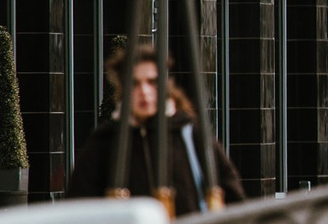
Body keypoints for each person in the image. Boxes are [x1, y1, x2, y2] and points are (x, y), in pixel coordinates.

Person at [67, 44, 245, 213]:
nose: (144, 91)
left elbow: (231, 193)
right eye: (135, 83)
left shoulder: (188, 132)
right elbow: (79, 207)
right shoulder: (105, 142)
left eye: (152, 82)